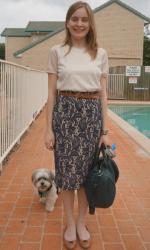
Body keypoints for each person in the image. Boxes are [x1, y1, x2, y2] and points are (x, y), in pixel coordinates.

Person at [45, 1, 109, 249]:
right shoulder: (56, 51)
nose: (79, 23)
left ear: (90, 23)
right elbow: (51, 94)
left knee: (85, 178)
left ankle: (82, 223)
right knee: (67, 177)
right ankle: (70, 224)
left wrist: (105, 131)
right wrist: (48, 128)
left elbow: (104, 95)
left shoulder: (100, 53)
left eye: (84, 19)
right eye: (75, 18)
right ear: (67, 22)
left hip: (91, 119)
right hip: (65, 116)